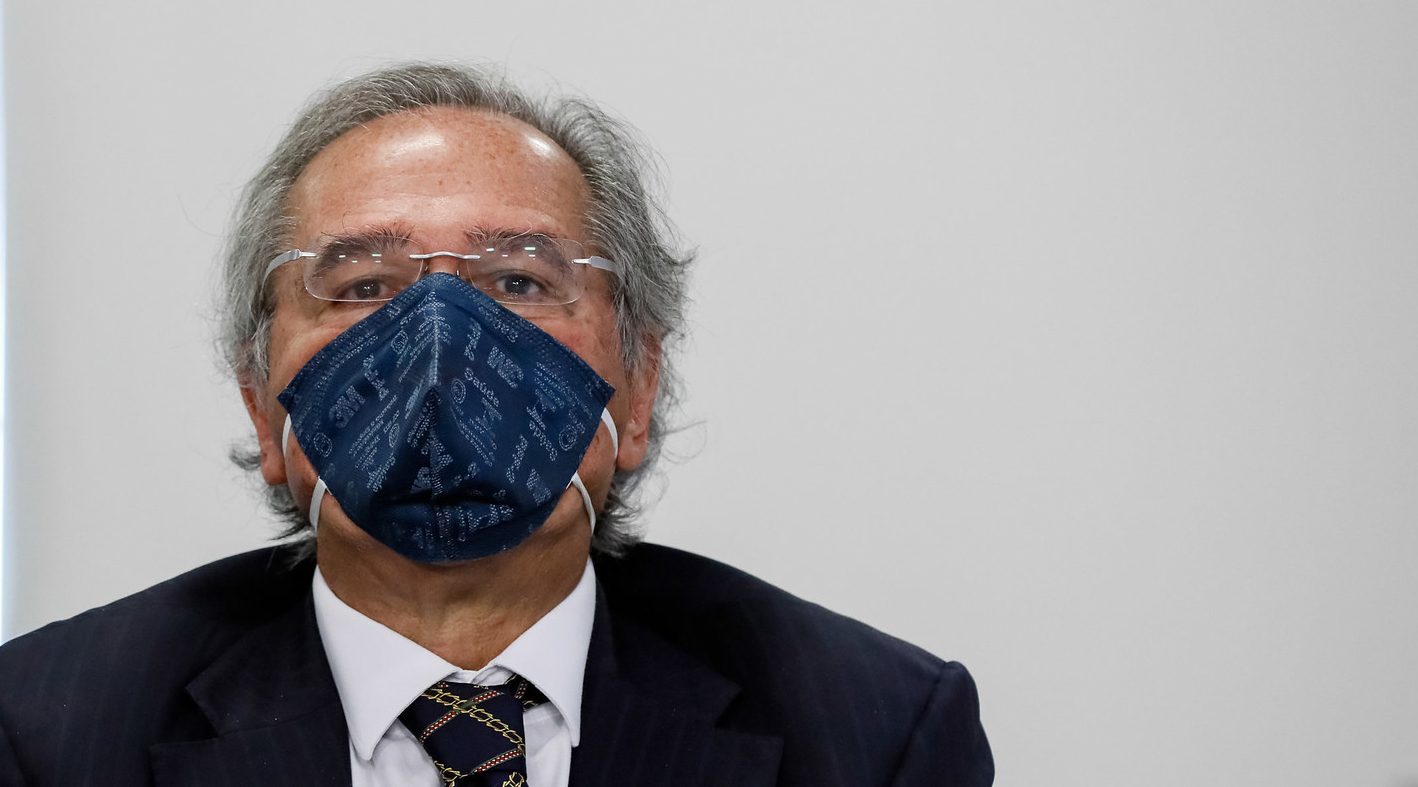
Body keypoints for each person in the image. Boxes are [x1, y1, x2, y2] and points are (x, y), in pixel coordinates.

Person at [0, 62, 993, 786]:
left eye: (518, 280)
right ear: (264, 402)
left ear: (639, 385)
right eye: (364, 285)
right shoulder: (41, 729)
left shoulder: (874, 731)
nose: (441, 340)